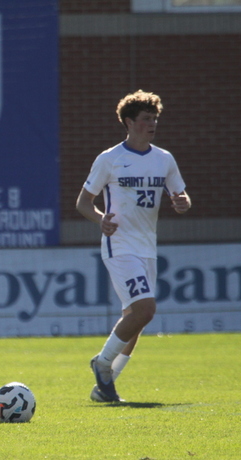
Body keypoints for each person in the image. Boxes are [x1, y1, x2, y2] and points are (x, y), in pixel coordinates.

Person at [75, 90, 191, 403]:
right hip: (119, 246)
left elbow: (182, 196)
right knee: (145, 309)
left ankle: (105, 387)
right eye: (145, 119)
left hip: (147, 248)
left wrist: (182, 203)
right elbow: (83, 202)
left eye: (155, 118)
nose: (152, 124)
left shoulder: (164, 159)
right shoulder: (110, 159)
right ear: (129, 122)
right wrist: (101, 219)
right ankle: (101, 364)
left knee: (136, 319)